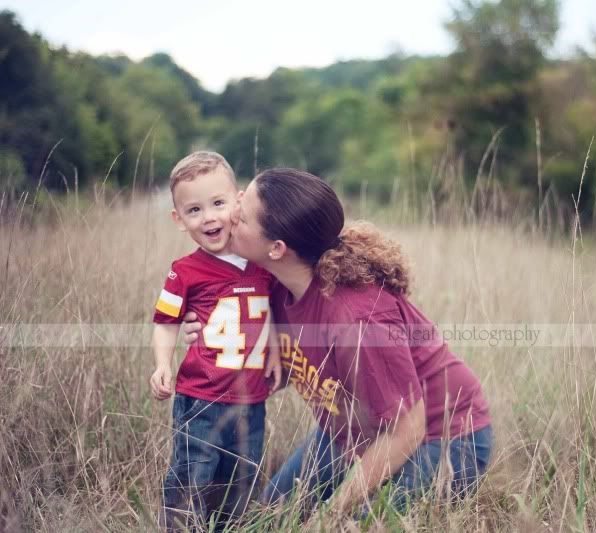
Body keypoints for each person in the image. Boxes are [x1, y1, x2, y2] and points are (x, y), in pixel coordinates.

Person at [184, 167, 492, 521]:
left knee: (357, 524)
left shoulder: (356, 319)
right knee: (268, 521)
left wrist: (331, 513)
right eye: (239, 199)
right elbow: (279, 365)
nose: (229, 215)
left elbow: (408, 429)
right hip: (350, 426)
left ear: (277, 248)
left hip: (442, 437)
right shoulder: (272, 281)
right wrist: (206, 331)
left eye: (241, 215)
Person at [150, 151, 281, 530]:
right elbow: (165, 321)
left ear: (238, 201)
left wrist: (273, 349)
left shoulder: (261, 262)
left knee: (242, 476)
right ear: (179, 219)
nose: (208, 217)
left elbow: (268, 310)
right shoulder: (185, 271)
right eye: (194, 210)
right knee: (194, 472)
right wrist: (163, 363)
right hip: (202, 398)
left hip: (252, 399)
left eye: (218, 204)